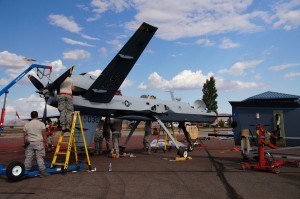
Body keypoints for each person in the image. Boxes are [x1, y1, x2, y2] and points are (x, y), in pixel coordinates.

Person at [23, 111, 49, 177]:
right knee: (40, 157)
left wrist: (25, 143)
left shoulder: (27, 125)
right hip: (39, 143)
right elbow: (44, 134)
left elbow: (25, 136)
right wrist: (46, 142)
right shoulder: (41, 124)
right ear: (37, 116)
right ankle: (42, 172)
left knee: (28, 157)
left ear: (31, 116)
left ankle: (26, 171)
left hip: (29, 143)